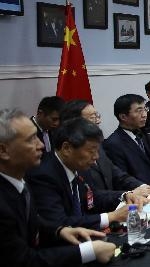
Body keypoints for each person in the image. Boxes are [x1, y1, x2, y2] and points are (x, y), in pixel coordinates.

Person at [0, 108, 117, 265]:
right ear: (3, 150)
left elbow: (33, 221)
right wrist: (88, 251)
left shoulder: (18, 181)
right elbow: (23, 260)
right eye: (31, 139)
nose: (41, 144)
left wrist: (59, 231)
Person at [27, 119, 134, 231]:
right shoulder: (43, 176)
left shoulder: (78, 165)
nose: (96, 157)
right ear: (66, 148)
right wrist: (111, 216)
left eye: (97, 151)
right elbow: (59, 224)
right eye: (91, 151)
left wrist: (124, 195)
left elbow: (91, 197)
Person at [58, 101, 150, 200]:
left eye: (97, 116)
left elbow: (116, 173)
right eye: (92, 117)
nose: (98, 121)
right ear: (74, 122)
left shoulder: (98, 146)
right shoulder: (73, 157)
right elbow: (91, 196)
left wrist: (142, 187)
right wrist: (125, 195)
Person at [102, 94, 150, 189]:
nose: (144, 115)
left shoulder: (141, 134)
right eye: (139, 111)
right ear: (123, 117)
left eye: (145, 109)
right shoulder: (113, 144)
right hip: (142, 194)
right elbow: (122, 179)